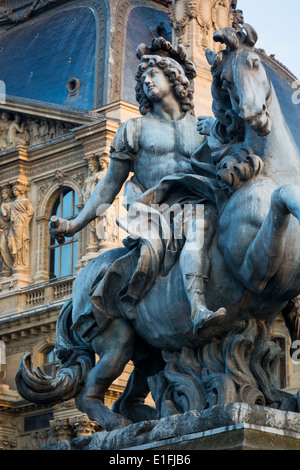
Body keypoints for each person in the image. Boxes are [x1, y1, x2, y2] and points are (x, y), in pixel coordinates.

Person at [49, 38, 225, 335]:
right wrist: (73, 224)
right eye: (142, 77)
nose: (146, 80)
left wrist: (220, 138)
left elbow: (223, 177)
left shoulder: (202, 130)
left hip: (195, 205)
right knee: (197, 227)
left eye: (153, 74)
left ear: (174, 76)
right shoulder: (135, 129)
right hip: (152, 212)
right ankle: (197, 308)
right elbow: (109, 185)